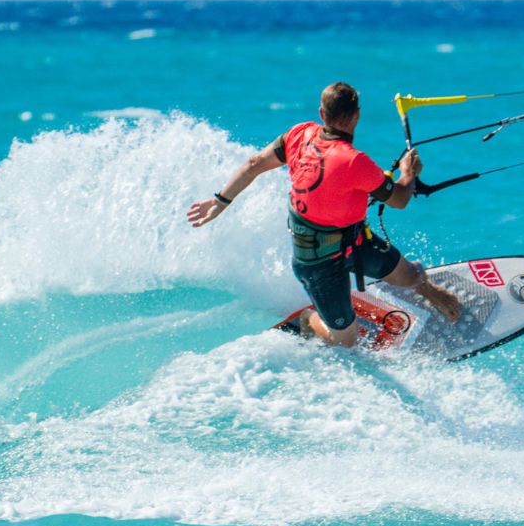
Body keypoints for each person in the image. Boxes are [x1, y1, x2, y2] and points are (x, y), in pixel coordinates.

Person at [187, 81, 461, 347]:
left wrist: (220, 201)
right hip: (318, 263)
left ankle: (429, 292)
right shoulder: (354, 160)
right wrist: (408, 174)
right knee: (346, 342)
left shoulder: (299, 134)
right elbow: (400, 199)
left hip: (355, 241)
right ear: (357, 116)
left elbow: (254, 163)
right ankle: (310, 319)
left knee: (411, 276)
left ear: (321, 114)